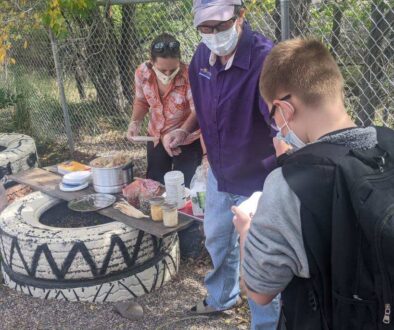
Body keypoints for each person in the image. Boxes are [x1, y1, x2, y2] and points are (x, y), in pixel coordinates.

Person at [233, 38, 384, 329]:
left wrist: (246, 231)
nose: (276, 124)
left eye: (272, 114)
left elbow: (259, 291)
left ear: (285, 110)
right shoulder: (388, 143)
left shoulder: (289, 184)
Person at [163, 1, 280, 328]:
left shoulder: (265, 60)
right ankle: (222, 298)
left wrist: (280, 185)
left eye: (221, 25)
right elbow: (205, 104)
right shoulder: (202, 57)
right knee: (215, 236)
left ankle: (266, 324)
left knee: (261, 260)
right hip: (219, 171)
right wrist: (185, 130)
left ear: (241, 15)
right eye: (205, 28)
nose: (213, 34)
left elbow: (282, 126)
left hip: (259, 180)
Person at [127, 33, 202, 187]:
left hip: (187, 139)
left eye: (173, 69)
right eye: (162, 70)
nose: (168, 74)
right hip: (156, 137)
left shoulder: (189, 75)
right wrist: (135, 122)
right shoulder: (142, 72)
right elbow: (141, 101)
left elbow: (197, 110)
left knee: (185, 187)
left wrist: (182, 132)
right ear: (151, 63)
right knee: (155, 185)